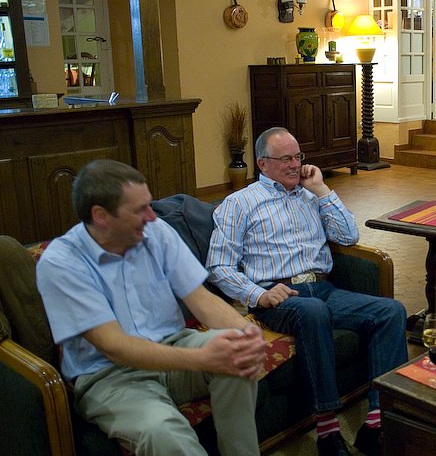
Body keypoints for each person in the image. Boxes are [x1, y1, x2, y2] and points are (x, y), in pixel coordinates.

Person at [35, 160, 265, 456]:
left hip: (174, 343)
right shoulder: (62, 263)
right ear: (101, 216)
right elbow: (115, 346)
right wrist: (203, 358)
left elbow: (201, 299)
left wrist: (245, 333)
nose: (152, 215)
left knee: (237, 356)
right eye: (140, 209)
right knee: (163, 434)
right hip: (110, 376)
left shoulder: (156, 231)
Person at [206, 127, 408, 456]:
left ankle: (376, 421)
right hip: (277, 295)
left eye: (298, 156)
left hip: (322, 287)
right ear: (262, 163)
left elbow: (349, 236)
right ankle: (328, 429)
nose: (294, 164)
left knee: (391, 311)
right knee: (313, 313)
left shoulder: (310, 194)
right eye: (285, 158)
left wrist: (323, 189)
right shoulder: (240, 203)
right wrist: (257, 294)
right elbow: (218, 266)